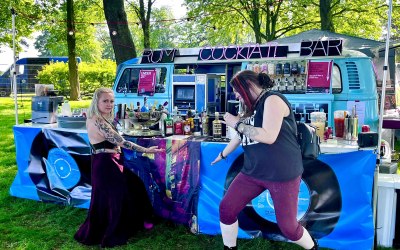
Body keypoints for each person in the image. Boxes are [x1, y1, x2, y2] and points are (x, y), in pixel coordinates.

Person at [211, 70, 318, 250]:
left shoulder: (273, 99)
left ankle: (313, 247)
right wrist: (223, 154)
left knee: (289, 228)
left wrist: (237, 123)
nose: (236, 95)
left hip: (281, 173)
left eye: (237, 90)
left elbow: (269, 136)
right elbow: (240, 136)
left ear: (248, 86)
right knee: (227, 209)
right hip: (253, 171)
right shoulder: (249, 106)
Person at [74, 87, 165, 248]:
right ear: (97, 101)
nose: (109, 104)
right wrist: (147, 150)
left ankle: (141, 221)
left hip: (110, 160)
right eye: (105, 101)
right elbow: (122, 142)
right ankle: (113, 232)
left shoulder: (100, 117)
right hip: (107, 163)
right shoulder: (98, 121)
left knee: (133, 186)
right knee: (114, 198)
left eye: (111, 101)